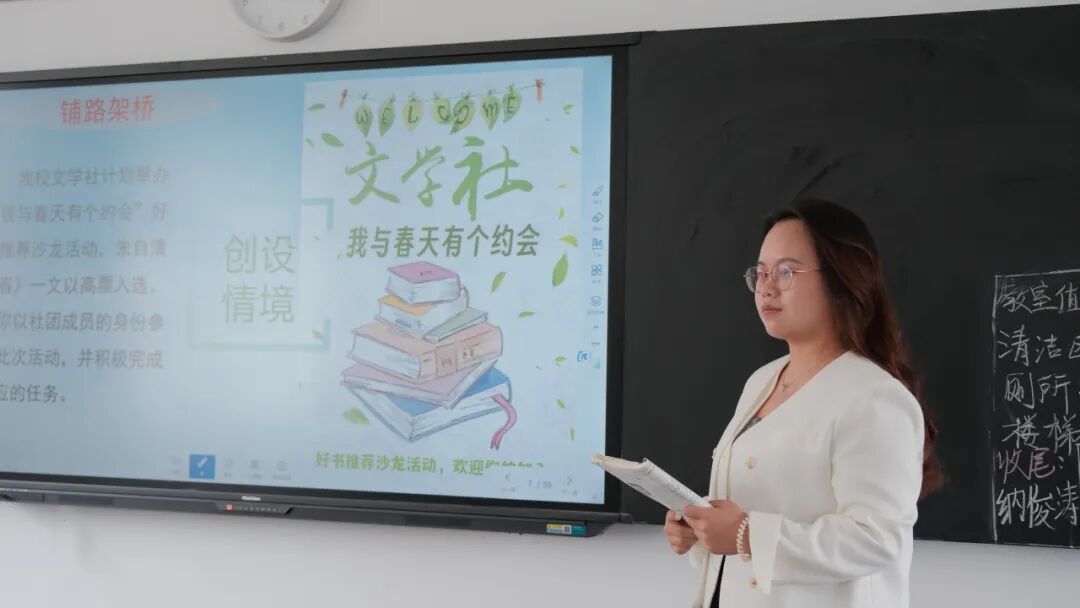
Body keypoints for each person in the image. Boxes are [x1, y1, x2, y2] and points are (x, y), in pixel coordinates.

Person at [664, 200, 943, 607]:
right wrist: (702, 530)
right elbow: (754, 508)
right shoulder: (762, 380)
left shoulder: (874, 398)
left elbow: (876, 538)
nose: (766, 287)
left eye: (786, 272)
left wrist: (745, 534)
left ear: (841, 278)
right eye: (761, 273)